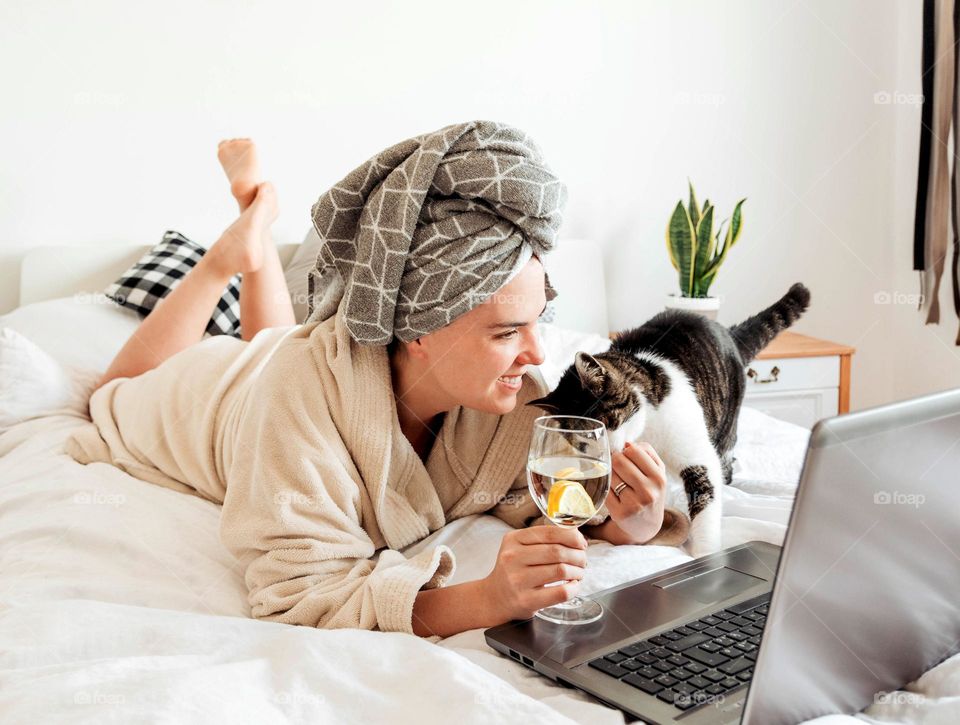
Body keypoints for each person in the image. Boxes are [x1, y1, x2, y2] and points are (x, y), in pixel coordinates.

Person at [68, 123, 690, 639]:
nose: (535, 353)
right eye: (505, 333)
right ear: (419, 329)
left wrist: (628, 522)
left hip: (298, 361)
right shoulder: (299, 395)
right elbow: (299, 593)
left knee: (280, 342)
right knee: (109, 393)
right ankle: (229, 256)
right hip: (221, 393)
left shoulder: (515, 401)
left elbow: (526, 497)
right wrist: (485, 599)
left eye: (538, 323)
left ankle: (255, 241)